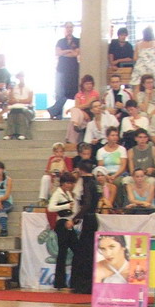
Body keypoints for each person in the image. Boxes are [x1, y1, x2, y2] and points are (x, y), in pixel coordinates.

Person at [70, 160, 99, 294]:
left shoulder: (86, 183)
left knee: (84, 253)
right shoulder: (95, 182)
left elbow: (86, 203)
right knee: (89, 252)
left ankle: (83, 285)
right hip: (93, 218)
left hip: (88, 218)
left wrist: (76, 217)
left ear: (81, 170)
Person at [47, 172, 78, 290]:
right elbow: (51, 208)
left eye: (71, 183)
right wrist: (65, 206)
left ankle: (66, 281)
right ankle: (60, 282)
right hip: (61, 223)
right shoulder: (58, 193)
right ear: (63, 183)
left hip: (68, 222)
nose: (69, 185)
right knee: (63, 252)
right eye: (67, 183)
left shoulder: (68, 193)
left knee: (73, 250)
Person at [47, 22, 80, 120]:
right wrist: (68, 51)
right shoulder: (60, 41)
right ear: (64, 29)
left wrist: (63, 52)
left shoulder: (77, 41)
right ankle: (58, 114)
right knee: (60, 92)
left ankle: (53, 110)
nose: (69, 29)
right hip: (61, 69)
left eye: (71, 27)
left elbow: (75, 54)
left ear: (73, 28)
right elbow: (58, 53)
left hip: (73, 70)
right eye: (67, 27)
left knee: (69, 92)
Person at [65, 75, 99, 146]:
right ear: (83, 85)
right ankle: (75, 125)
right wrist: (82, 112)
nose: (89, 85)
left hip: (91, 115)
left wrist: (72, 108)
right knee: (75, 115)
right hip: (81, 117)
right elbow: (77, 107)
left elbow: (88, 105)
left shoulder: (95, 94)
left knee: (74, 113)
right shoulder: (78, 95)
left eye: (90, 83)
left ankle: (70, 140)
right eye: (87, 84)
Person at [130, 26, 155, 92]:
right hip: (152, 68)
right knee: (153, 87)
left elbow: (135, 58)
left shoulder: (138, 44)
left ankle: (137, 98)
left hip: (139, 68)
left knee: (137, 87)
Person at [3, 71, 34, 140]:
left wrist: (17, 100)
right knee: (12, 112)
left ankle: (22, 133)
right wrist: (11, 93)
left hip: (28, 109)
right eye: (19, 77)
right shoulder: (14, 88)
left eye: (22, 76)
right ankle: (9, 133)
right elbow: (10, 101)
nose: (21, 78)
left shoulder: (29, 88)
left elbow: (29, 100)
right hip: (15, 108)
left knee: (21, 112)